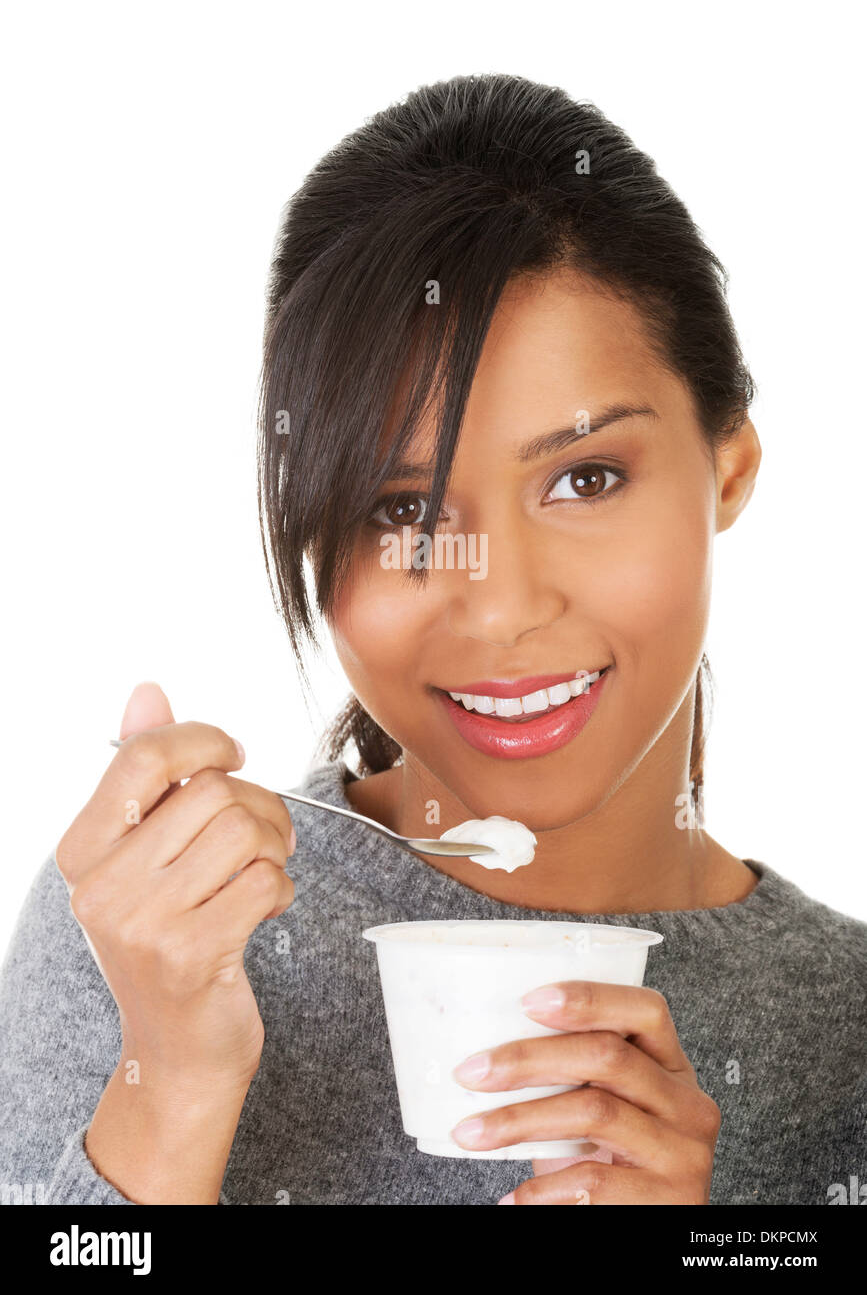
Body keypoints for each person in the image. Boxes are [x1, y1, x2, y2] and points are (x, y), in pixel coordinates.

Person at [1, 75, 864, 1205]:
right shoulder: (151, 948)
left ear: (729, 469)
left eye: (585, 477)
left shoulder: (845, 1040)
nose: (498, 606)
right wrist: (164, 1089)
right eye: (400, 510)